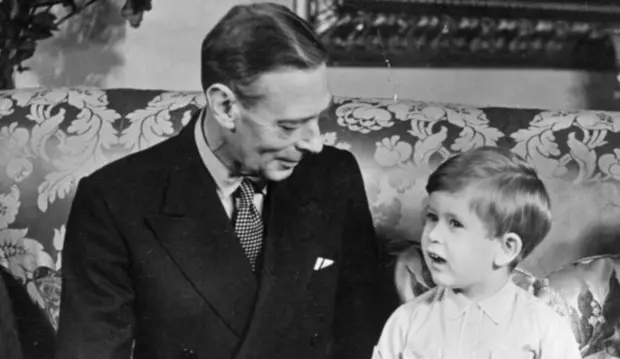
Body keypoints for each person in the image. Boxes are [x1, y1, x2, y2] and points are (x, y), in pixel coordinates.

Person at [54, 3, 385, 359]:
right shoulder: (113, 200)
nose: (314, 143)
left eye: (318, 117)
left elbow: (362, 335)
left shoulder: (334, 176)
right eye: (289, 126)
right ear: (225, 107)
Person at [372, 146, 582, 359]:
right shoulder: (406, 321)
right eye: (432, 217)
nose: (433, 234)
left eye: (455, 223)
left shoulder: (544, 328)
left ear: (506, 248)